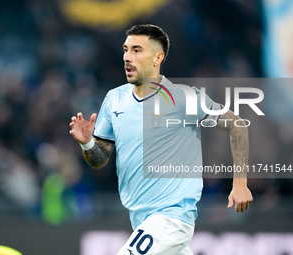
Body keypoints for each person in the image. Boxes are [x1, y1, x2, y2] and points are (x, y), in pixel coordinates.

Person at [69, 24, 253, 255]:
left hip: (171, 218)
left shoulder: (183, 98)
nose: (127, 57)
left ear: (158, 57)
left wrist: (240, 184)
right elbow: (100, 159)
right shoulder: (114, 99)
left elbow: (237, 126)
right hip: (140, 220)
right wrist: (87, 143)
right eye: (126, 50)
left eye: (137, 50)